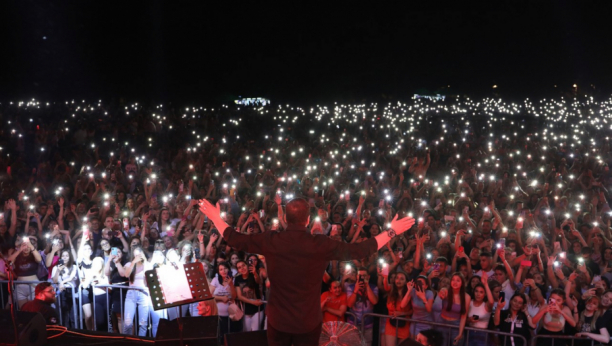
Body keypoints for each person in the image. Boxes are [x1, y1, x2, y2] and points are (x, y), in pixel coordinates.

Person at [198, 198, 415, 346]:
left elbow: (235, 238)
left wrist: (216, 217)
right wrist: (392, 231)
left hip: (278, 321)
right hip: (308, 322)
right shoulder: (320, 244)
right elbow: (358, 249)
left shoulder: (272, 240)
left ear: (287, 219)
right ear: (308, 220)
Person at [122, 246, 161, 337]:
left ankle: (141, 343)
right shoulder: (129, 264)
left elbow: (149, 276)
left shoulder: (147, 265)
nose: (137, 257)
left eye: (139, 254)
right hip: (131, 294)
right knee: (128, 323)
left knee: (143, 323)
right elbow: (126, 274)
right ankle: (126, 342)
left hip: (143, 293)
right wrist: (133, 262)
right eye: (135, 255)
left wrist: (145, 262)